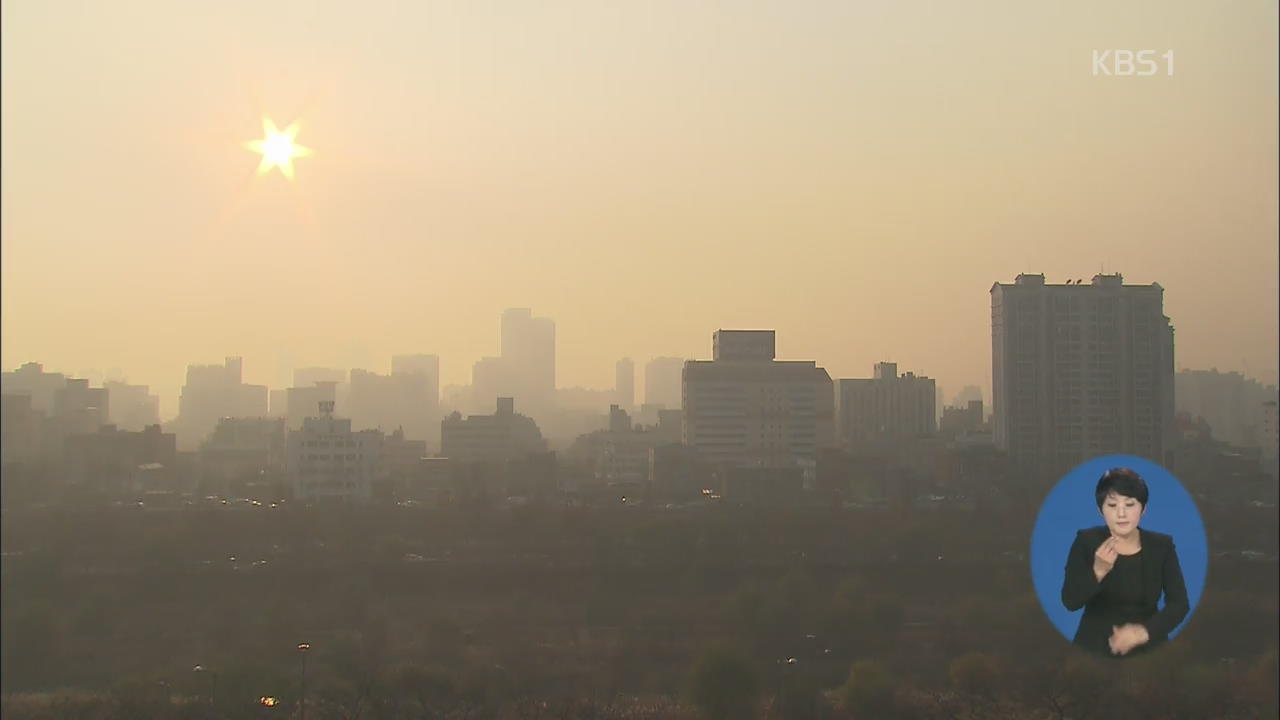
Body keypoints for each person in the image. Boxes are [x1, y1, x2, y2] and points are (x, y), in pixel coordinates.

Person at [1061, 468, 1189, 658]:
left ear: (1143, 509)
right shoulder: (1086, 542)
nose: (1121, 514)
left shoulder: (1162, 546)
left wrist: (1143, 632)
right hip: (1094, 648)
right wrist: (1098, 570)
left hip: (1149, 645)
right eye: (1112, 505)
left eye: (1129, 504)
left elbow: (1179, 604)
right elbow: (1070, 602)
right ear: (1100, 510)